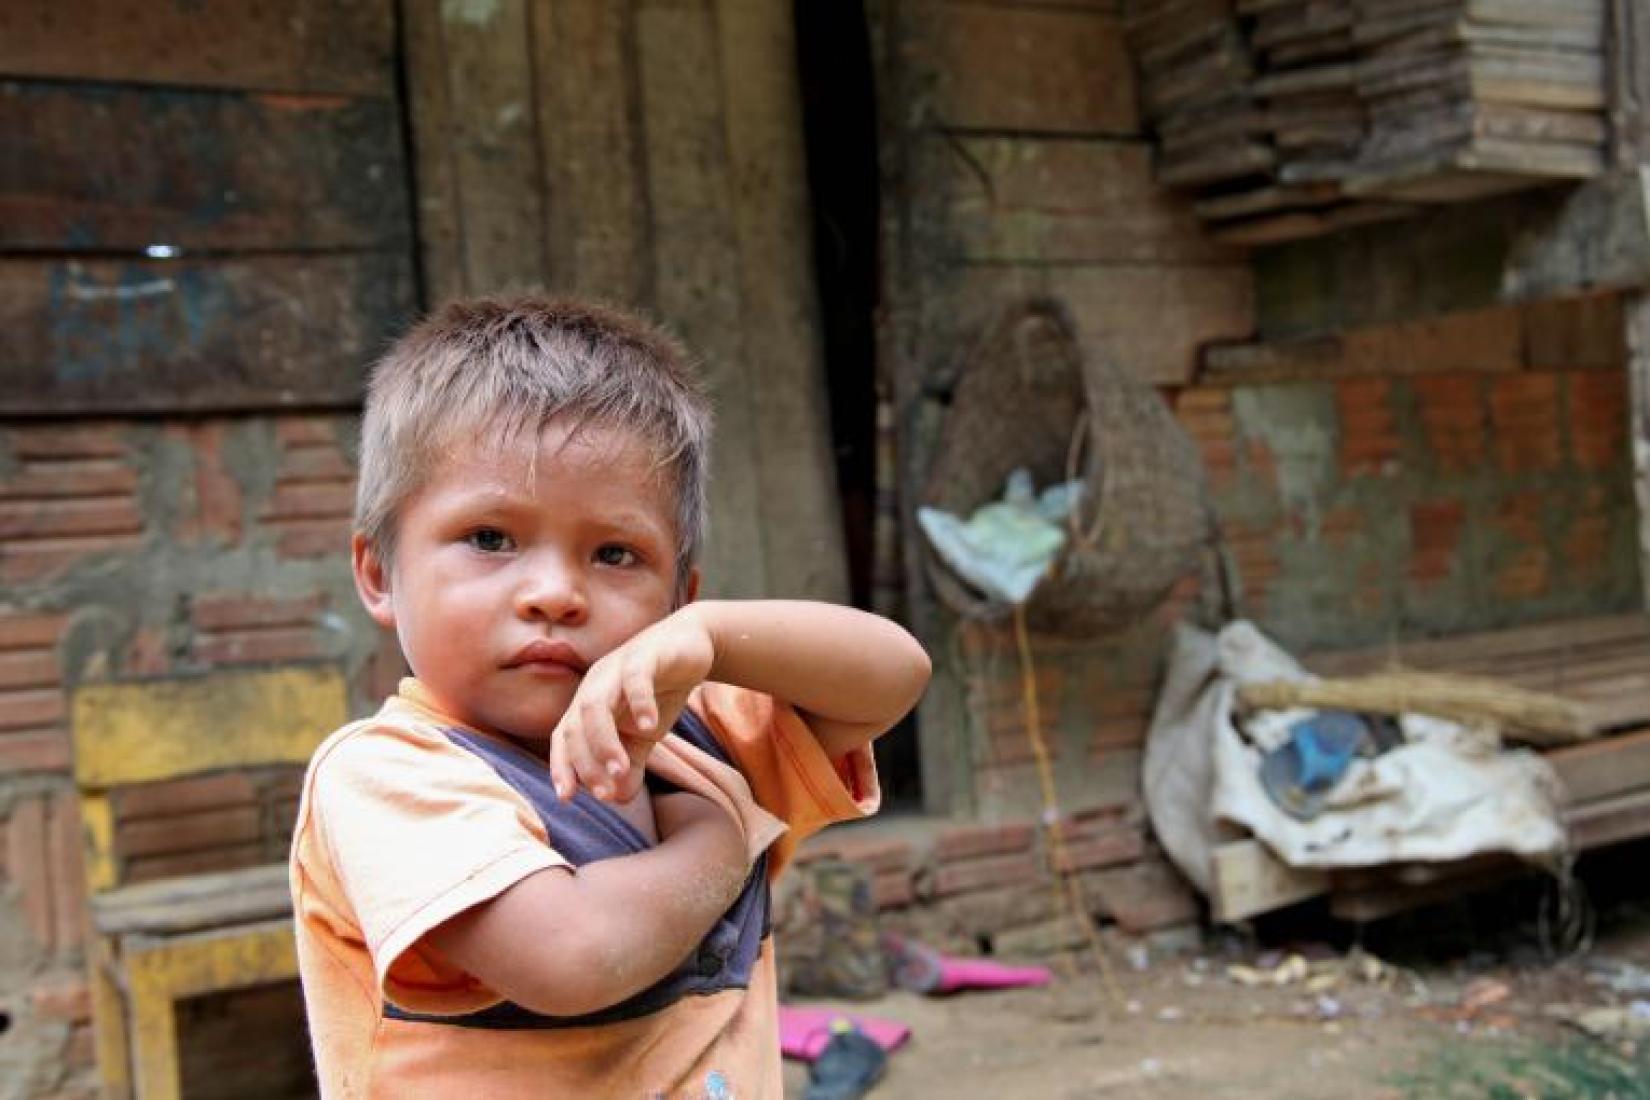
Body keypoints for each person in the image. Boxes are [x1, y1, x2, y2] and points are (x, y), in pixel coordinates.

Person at [288, 294, 930, 1099]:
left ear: (675, 597)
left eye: (616, 553)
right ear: (380, 574)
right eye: (490, 538)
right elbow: (575, 957)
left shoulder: (694, 732)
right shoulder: (386, 775)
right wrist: (723, 843)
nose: (555, 593)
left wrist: (713, 638)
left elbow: (894, 675)